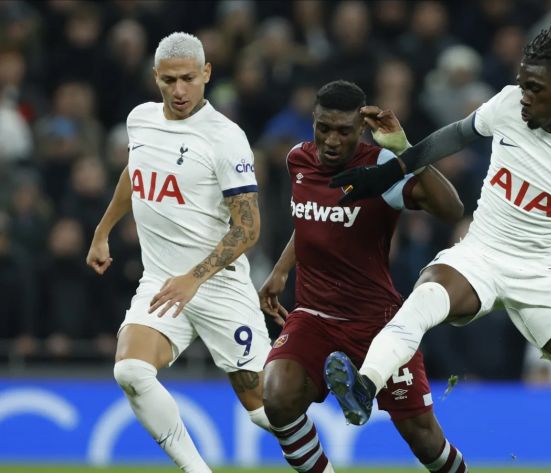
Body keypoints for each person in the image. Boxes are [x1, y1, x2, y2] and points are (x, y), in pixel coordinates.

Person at [323, 22, 551, 426]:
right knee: (425, 297)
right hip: (481, 254)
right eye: (522, 85)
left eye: (535, 89)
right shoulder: (506, 106)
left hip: (544, 276)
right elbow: (453, 136)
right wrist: (389, 171)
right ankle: (366, 386)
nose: (524, 98)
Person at [259, 80, 468, 473]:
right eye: (324, 128)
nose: (332, 140)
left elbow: (452, 209)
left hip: (378, 325)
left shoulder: (380, 170)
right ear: (313, 122)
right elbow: (310, 220)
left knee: (424, 439)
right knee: (276, 395)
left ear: (361, 128)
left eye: (343, 131)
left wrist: (406, 150)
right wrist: (281, 269)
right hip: (314, 317)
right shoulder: (298, 161)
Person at [86, 32, 271, 473]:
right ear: (156, 78)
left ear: (207, 73)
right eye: (169, 80)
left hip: (218, 285)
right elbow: (135, 175)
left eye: (189, 78)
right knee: (130, 371)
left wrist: (194, 278)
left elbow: (248, 229)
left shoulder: (225, 137)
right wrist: (102, 231)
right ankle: (196, 469)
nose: (179, 90)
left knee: (267, 412)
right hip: (162, 282)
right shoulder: (140, 120)